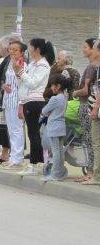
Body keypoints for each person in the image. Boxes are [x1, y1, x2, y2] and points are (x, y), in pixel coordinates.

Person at [15, 38, 54, 176]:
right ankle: (35, 164)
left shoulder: (43, 66)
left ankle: (35, 164)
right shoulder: (32, 64)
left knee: (34, 134)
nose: (29, 50)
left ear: (37, 49)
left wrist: (21, 72)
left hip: (35, 101)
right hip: (27, 100)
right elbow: (22, 83)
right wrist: (18, 72)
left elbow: (33, 83)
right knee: (32, 134)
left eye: (30, 47)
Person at [71, 39, 97, 183]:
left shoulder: (91, 67)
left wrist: (75, 93)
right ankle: (91, 171)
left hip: (87, 105)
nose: (83, 49)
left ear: (94, 49)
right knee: (90, 140)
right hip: (90, 105)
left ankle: (91, 172)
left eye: (86, 47)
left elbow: (86, 90)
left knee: (89, 140)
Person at [41, 74, 71, 182]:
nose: (51, 87)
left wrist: (47, 112)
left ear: (58, 86)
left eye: (52, 85)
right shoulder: (64, 97)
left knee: (55, 152)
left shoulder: (54, 99)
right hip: (61, 127)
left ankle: (55, 174)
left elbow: (44, 111)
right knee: (60, 151)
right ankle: (61, 173)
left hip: (53, 127)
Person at [1, 39, 26, 169]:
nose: (12, 52)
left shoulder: (22, 64)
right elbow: (7, 80)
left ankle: (18, 158)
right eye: (10, 49)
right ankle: (13, 157)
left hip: (17, 99)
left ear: (21, 52)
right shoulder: (10, 63)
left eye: (15, 50)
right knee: (11, 130)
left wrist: (22, 103)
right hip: (8, 99)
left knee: (17, 130)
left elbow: (24, 84)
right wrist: (4, 86)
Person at [81, 39, 100, 186]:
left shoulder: (95, 68)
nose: (91, 51)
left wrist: (95, 107)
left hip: (96, 109)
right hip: (94, 107)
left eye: (94, 48)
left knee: (95, 142)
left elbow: (97, 90)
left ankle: (96, 175)